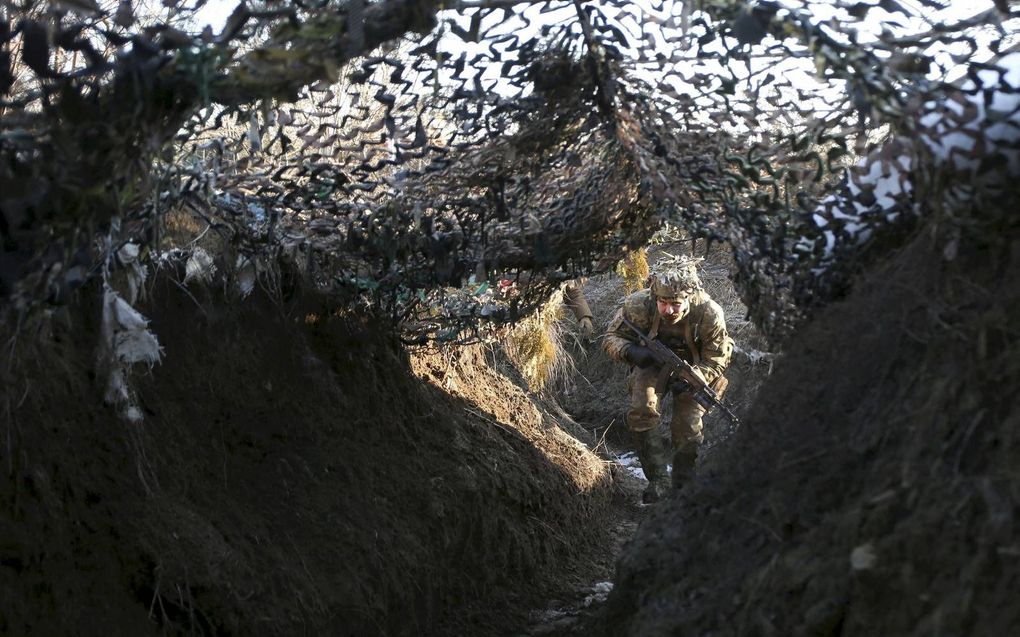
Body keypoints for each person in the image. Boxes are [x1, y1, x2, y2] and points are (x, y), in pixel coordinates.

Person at [602, 256, 733, 503]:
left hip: (693, 370)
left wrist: (698, 376)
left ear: (689, 299)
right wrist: (632, 352)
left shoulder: (709, 313)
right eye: (663, 302)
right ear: (655, 297)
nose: (668, 310)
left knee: (688, 427)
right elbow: (611, 337)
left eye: (676, 303)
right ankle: (658, 480)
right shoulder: (639, 305)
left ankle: (683, 484)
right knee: (641, 411)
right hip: (651, 363)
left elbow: (717, 358)